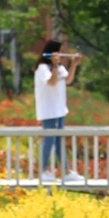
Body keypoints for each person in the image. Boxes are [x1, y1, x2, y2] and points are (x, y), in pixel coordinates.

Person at [33, 37, 82, 183]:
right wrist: (54, 65)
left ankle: (66, 171)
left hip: (59, 110)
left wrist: (74, 65)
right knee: (49, 139)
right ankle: (43, 170)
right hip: (49, 111)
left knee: (60, 139)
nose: (61, 55)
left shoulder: (59, 67)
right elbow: (52, 82)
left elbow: (68, 80)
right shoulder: (43, 68)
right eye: (59, 52)